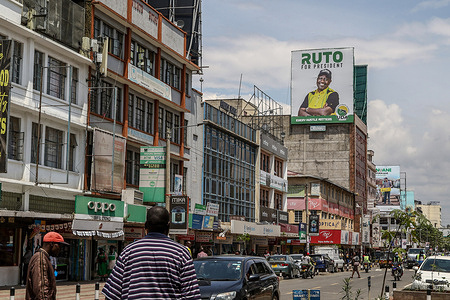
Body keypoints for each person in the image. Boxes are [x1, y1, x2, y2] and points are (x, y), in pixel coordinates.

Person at [102, 206, 201, 299]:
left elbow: (111, 295)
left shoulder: (128, 252)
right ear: (168, 226)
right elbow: (192, 296)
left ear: (146, 226)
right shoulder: (181, 254)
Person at [25, 232, 69, 300]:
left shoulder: (43, 257)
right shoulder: (40, 259)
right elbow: (42, 291)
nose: (60, 249)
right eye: (59, 246)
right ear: (51, 244)